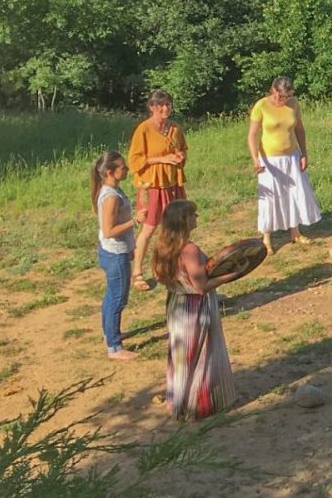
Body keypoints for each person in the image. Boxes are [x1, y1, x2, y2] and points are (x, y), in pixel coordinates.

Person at [152, 200, 238, 421]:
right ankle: (196, 405)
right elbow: (201, 286)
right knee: (199, 355)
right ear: (184, 221)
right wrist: (233, 273)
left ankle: (176, 401)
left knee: (180, 355)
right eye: (193, 215)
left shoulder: (162, 247)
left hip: (176, 304)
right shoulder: (189, 250)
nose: (196, 218)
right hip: (194, 309)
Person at [247, 76, 320, 253]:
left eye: (287, 96)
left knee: (293, 194)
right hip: (269, 159)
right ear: (273, 91)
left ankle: (294, 231)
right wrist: (256, 159)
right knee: (270, 197)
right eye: (281, 97)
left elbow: (300, 130)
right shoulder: (261, 106)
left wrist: (304, 154)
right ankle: (266, 238)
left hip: (291, 157)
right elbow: (252, 135)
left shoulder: (294, 104)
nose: (284, 100)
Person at [127, 89, 187, 291]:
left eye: (168, 104)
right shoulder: (143, 129)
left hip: (172, 183)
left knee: (174, 227)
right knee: (149, 227)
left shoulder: (174, 129)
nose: (165, 108)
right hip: (151, 185)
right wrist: (162, 159)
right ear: (151, 107)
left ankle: (168, 269)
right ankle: (137, 273)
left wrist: (179, 156)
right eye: (160, 105)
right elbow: (134, 161)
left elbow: (182, 149)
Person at [91, 151, 139, 361]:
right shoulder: (110, 196)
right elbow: (109, 230)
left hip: (113, 250)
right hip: (114, 252)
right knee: (117, 299)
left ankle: (111, 334)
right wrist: (135, 221)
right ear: (110, 172)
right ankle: (114, 347)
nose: (127, 169)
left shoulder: (110, 189)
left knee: (111, 296)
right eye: (123, 167)